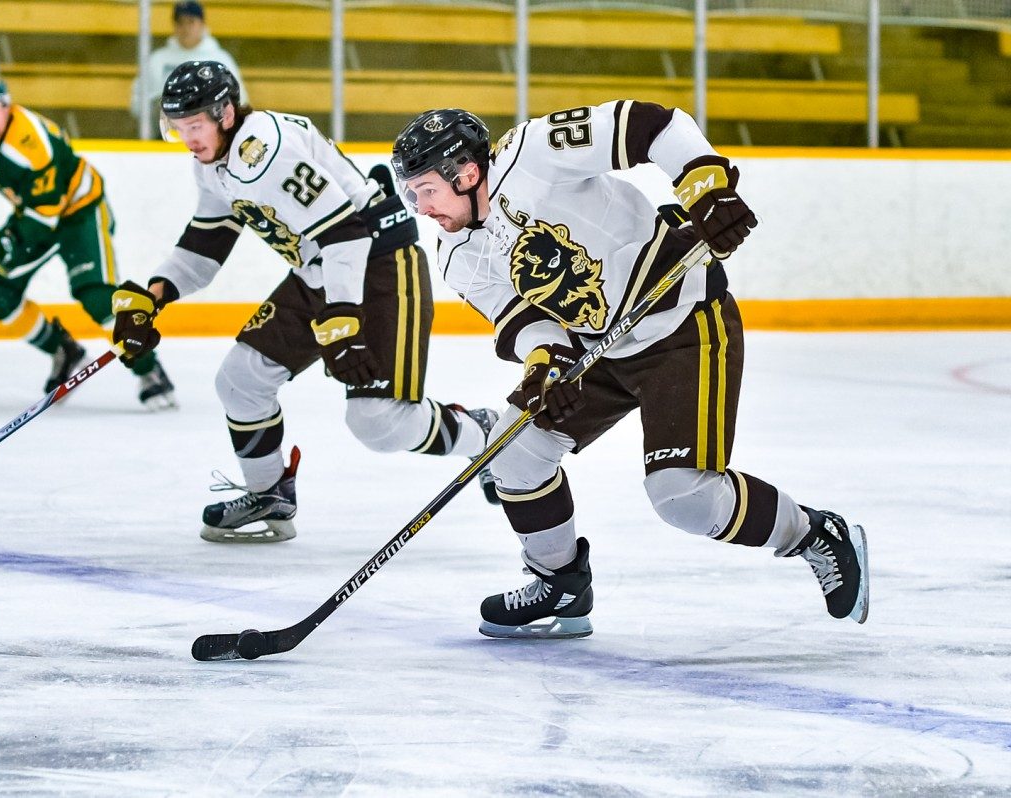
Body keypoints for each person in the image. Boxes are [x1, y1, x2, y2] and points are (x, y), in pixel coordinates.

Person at [391, 105, 869, 638]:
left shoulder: (534, 151)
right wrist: (547, 368)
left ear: (467, 172)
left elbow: (654, 126)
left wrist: (706, 189)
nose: (420, 206)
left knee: (683, 497)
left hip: (682, 322)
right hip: (600, 349)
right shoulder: (457, 254)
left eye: (426, 189)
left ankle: (814, 533)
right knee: (514, 453)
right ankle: (561, 582)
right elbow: (522, 320)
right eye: (412, 194)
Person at [111, 61, 499, 543]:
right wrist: (154, 296)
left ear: (226, 113)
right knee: (241, 380)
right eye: (177, 128)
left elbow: (345, 232)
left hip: (379, 264)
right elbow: (207, 241)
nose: (187, 137)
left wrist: (342, 317)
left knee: (377, 422)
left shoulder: (265, 152)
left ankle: (484, 434)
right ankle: (268, 492)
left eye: (194, 125)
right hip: (322, 270)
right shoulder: (215, 164)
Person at [0, 73, 177, 409]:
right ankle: (64, 350)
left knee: (96, 296)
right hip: (35, 212)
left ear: (7, 106)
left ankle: (150, 370)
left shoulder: (32, 146)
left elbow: (42, 221)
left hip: (80, 211)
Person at [130, 1, 248, 137]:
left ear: (202, 24)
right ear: (174, 26)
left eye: (191, 22)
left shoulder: (220, 60)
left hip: (211, 139)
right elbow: (138, 103)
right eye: (180, 23)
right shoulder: (157, 60)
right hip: (165, 139)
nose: (185, 28)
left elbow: (239, 102)